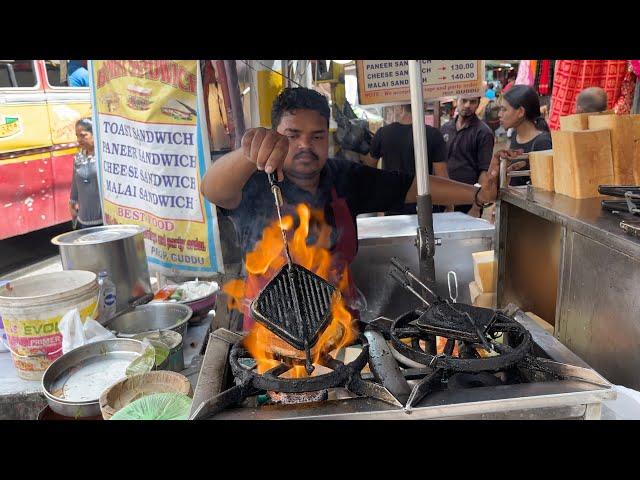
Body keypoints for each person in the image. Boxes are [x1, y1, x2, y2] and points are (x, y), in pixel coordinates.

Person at [201, 87, 510, 329]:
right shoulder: (255, 181)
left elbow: (414, 186)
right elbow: (213, 189)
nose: (305, 146)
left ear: (328, 138)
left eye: (316, 136)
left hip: (339, 326)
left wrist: (478, 194)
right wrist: (248, 151)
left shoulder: (345, 177)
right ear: (276, 137)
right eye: (292, 135)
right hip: (270, 332)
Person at [368, 103, 449, 215]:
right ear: (424, 106)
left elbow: (370, 171)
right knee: (425, 232)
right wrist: (450, 205)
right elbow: (442, 178)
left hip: (393, 207)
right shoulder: (433, 135)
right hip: (423, 207)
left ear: (400, 107)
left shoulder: (382, 133)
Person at [440, 96, 495, 216]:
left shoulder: (484, 132)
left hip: (468, 200)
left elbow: (484, 172)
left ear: (478, 103)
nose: (467, 105)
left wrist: (476, 207)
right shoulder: (445, 128)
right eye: (464, 100)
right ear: (456, 101)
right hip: (444, 198)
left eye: (472, 102)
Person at [498, 85, 552, 185]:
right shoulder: (515, 135)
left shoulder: (543, 143)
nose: (499, 114)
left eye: (504, 109)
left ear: (521, 112)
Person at [69, 118, 102, 229]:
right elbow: (75, 181)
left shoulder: (103, 156)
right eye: (77, 136)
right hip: (84, 220)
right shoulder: (78, 157)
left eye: (83, 135)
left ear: (94, 134)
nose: (79, 139)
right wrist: (72, 203)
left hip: (103, 219)